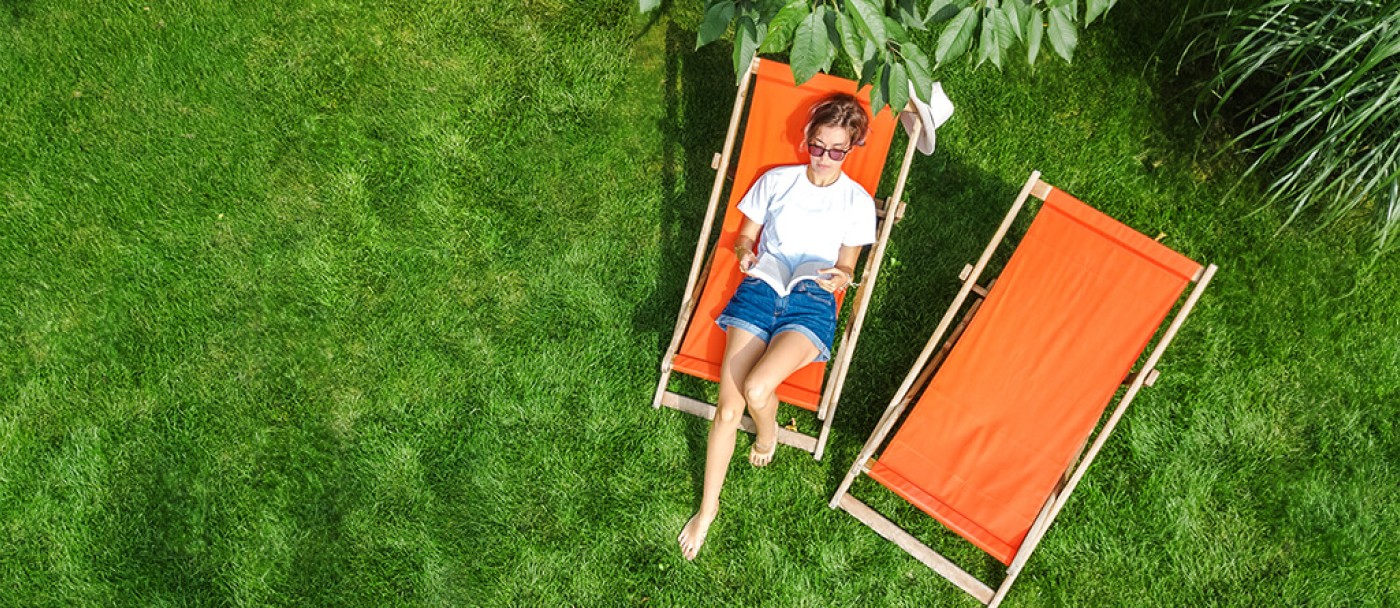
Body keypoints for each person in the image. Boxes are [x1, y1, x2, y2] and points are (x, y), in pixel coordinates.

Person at [678, 93, 876, 561]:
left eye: (837, 151)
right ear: (808, 138)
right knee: (728, 410)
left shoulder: (856, 202)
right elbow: (747, 235)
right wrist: (747, 253)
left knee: (759, 387)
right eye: (819, 145)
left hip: (809, 299)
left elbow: (847, 267)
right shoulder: (777, 182)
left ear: (851, 150)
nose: (825, 158)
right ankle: (707, 510)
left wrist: (841, 276)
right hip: (763, 286)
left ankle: (768, 434)